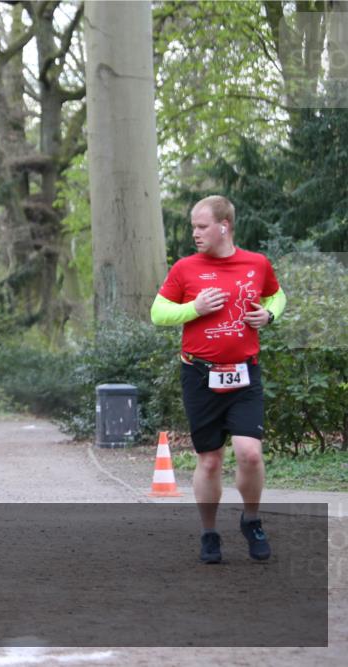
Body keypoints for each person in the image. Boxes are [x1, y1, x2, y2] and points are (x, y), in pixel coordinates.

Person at [150, 195, 286, 564]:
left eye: (201, 226)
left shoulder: (256, 263)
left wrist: (269, 316)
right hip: (199, 375)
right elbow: (158, 312)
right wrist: (194, 308)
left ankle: (252, 520)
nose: (194, 233)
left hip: (244, 373)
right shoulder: (185, 268)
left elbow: (277, 296)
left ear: (224, 226)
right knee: (209, 461)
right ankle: (209, 533)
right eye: (193, 226)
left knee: (250, 454)